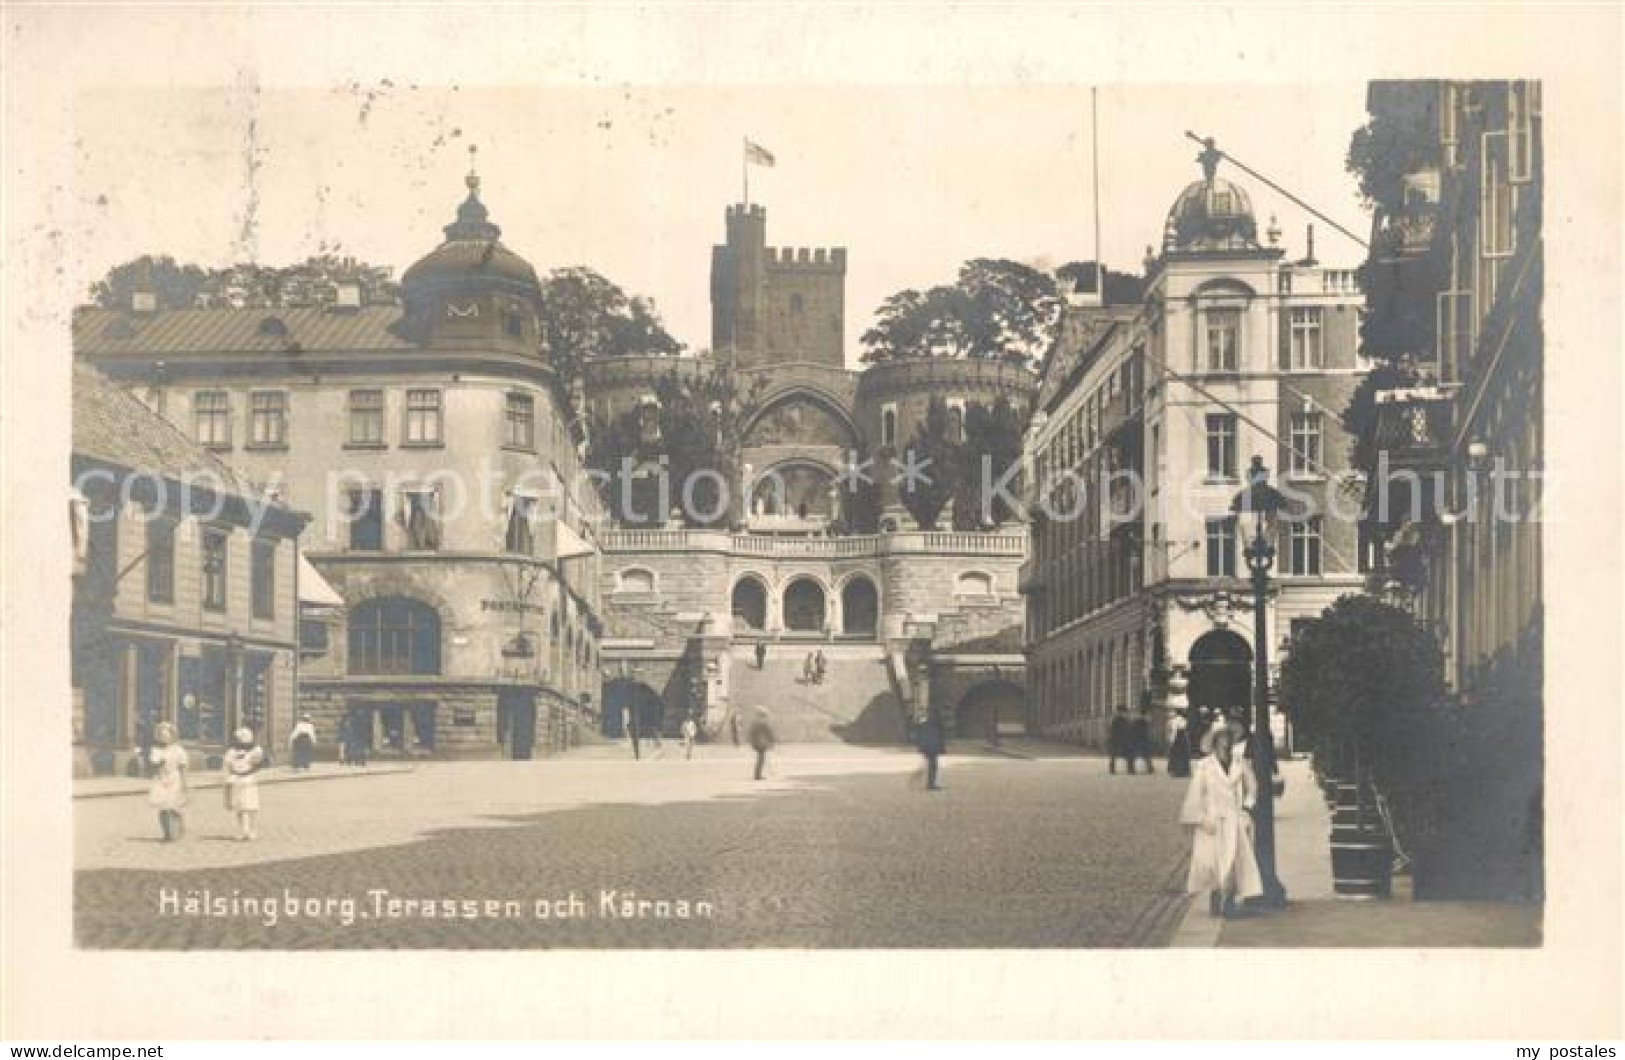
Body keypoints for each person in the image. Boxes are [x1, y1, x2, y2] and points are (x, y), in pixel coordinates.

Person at [1179, 721, 1264, 918]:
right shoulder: (1204, 766)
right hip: (1212, 819)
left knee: (1236, 859)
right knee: (1213, 861)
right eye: (1222, 738)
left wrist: (1247, 809)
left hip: (1235, 817)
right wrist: (1200, 818)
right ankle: (1216, 895)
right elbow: (1195, 794)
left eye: (1228, 737)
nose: (1226, 742)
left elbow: (1252, 787)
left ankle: (1230, 900)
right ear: (1215, 741)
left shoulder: (1240, 762)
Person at [146, 722, 189, 841]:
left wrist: (184, 783)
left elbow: (182, 767)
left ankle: (181, 823)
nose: (164, 738)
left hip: (174, 778)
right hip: (161, 779)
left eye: (166, 735)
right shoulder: (155, 750)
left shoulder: (179, 750)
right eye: (161, 735)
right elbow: (152, 764)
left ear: (172, 736)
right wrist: (158, 763)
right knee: (163, 808)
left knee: (173, 806)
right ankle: (167, 833)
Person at [223, 727, 266, 841]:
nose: (237, 741)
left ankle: (251, 830)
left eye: (239, 739)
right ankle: (242, 830)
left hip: (249, 780)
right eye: (236, 739)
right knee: (239, 807)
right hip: (237, 780)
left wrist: (249, 770)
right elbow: (227, 765)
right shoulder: (231, 751)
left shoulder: (255, 750)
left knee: (250, 806)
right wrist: (229, 776)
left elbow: (258, 764)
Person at [914, 711, 946, 791]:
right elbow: (938, 738)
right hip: (932, 748)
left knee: (932, 765)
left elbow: (920, 736)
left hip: (926, 747)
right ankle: (930, 784)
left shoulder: (924, 725)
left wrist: (920, 747)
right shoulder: (936, 726)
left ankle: (930, 783)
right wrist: (941, 748)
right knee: (933, 766)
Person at [747, 709, 776, 781]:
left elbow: (750, 733)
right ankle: (757, 775)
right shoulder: (763, 723)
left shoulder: (754, 723)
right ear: (763, 715)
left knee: (760, 759)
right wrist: (772, 742)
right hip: (761, 743)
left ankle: (757, 774)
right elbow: (769, 733)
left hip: (756, 743)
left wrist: (752, 742)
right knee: (761, 759)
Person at [1107, 706, 1133, 774]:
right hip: (1117, 740)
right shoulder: (1119, 720)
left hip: (1120, 741)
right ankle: (1129, 769)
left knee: (1128, 752)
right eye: (1124, 712)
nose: (1125, 714)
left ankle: (1129, 768)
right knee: (1127, 752)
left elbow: (1129, 731)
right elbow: (1112, 731)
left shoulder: (1121, 720)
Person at [1166, 710, 1193, 778]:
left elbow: (1174, 731)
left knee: (1177, 755)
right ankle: (1184, 771)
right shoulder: (1184, 720)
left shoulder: (1174, 721)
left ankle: (1177, 771)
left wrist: (1172, 741)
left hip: (1178, 739)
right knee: (1184, 755)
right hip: (1184, 738)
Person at [1130, 707, 1155, 774]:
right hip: (1143, 740)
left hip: (1136, 740)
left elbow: (1132, 731)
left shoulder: (1135, 722)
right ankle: (1150, 768)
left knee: (1134, 755)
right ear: (1145, 714)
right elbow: (1146, 733)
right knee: (1146, 755)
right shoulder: (1145, 722)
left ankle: (1132, 769)